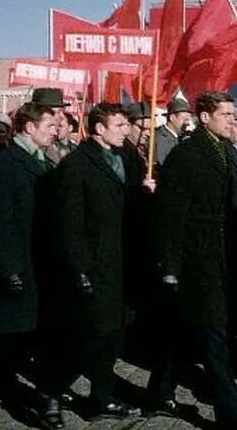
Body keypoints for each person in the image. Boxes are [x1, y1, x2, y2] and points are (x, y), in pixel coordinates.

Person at [152, 91, 237, 430]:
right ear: (204, 117)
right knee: (214, 334)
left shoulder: (229, 150)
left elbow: (236, 195)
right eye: (226, 115)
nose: (233, 121)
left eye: (234, 115)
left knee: (186, 331)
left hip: (225, 253)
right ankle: (229, 415)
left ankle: (160, 390)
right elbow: (170, 214)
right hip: (196, 255)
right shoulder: (186, 155)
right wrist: (169, 266)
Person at [36, 103, 143, 425]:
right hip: (93, 266)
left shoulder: (126, 159)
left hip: (123, 265)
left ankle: (103, 396)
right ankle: (50, 391)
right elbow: (68, 224)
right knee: (88, 337)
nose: (128, 130)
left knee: (114, 337)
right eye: (121, 125)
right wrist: (80, 268)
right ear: (99, 128)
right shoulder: (77, 166)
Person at [0, 103, 55, 430]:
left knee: (15, 343)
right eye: (48, 123)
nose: (53, 129)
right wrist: (8, 271)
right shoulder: (6, 166)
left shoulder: (36, 162)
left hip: (31, 267)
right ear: (28, 127)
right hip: (9, 272)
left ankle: (6, 388)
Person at [154, 98, 191, 167]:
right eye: (185, 120)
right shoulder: (160, 137)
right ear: (172, 117)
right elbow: (163, 164)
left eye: (188, 121)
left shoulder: (181, 137)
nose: (187, 124)